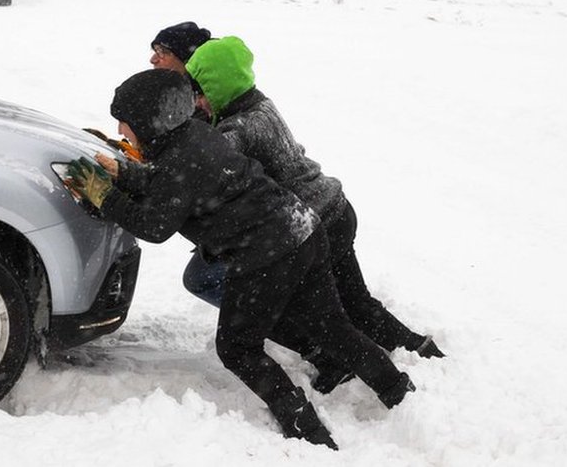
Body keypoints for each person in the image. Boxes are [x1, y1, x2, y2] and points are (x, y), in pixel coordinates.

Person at [67, 69, 416, 449]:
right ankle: (400, 392)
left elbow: (155, 224)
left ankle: (305, 430)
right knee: (331, 326)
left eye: (126, 120)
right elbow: (170, 184)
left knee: (237, 347)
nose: (120, 126)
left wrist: (105, 195)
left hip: (267, 254)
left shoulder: (180, 158)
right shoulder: (193, 137)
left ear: (151, 123)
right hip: (302, 229)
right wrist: (127, 174)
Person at [183, 36, 444, 391]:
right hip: (334, 208)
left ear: (217, 85)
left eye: (201, 89)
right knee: (356, 304)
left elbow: (206, 168)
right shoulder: (258, 104)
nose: (197, 99)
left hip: (313, 223)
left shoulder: (239, 128)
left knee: (327, 317)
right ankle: (418, 349)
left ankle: (357, 365)